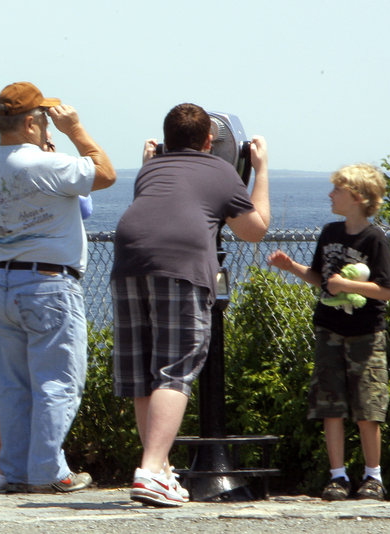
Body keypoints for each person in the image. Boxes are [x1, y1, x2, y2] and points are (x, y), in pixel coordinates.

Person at [110, 103, 270, 507]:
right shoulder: (220, 171)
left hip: (129, 261)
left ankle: (160, 470)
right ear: (209, 142)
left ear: (165, 139)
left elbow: (156, 202)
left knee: (143, 370)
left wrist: (146, 161)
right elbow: (254, 231)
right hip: (180, 264)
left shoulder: (151, 168)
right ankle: (149, 472)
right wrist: (261, 169)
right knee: (174, 369)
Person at [0, 81, 115, 493]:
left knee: (14, 387)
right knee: (58, 382)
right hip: (50, 284)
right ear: (32, 122)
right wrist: (76, 130)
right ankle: (49, 472)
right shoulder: (44, 165)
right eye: (45, 119)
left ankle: (13, 470)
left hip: (3, 281)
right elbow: (105, 173)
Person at [267, 163, 390, 501]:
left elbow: (385, 290)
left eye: (337, 190)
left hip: (366, 335)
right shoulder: (329, 232)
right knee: (331, 405)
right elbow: (319, 277)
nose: (330, 195)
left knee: (368, 407)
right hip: (329, 330)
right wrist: (291, 267)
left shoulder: (375, 238)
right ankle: (337, 476)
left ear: (355, 197)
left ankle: (373, 476)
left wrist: (346, 284)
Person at [0, 188, 94, 492]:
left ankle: (0, 471)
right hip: (35, 282)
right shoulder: (54, 174)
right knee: (48, 379)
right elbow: (84, 207)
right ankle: (46, 470)